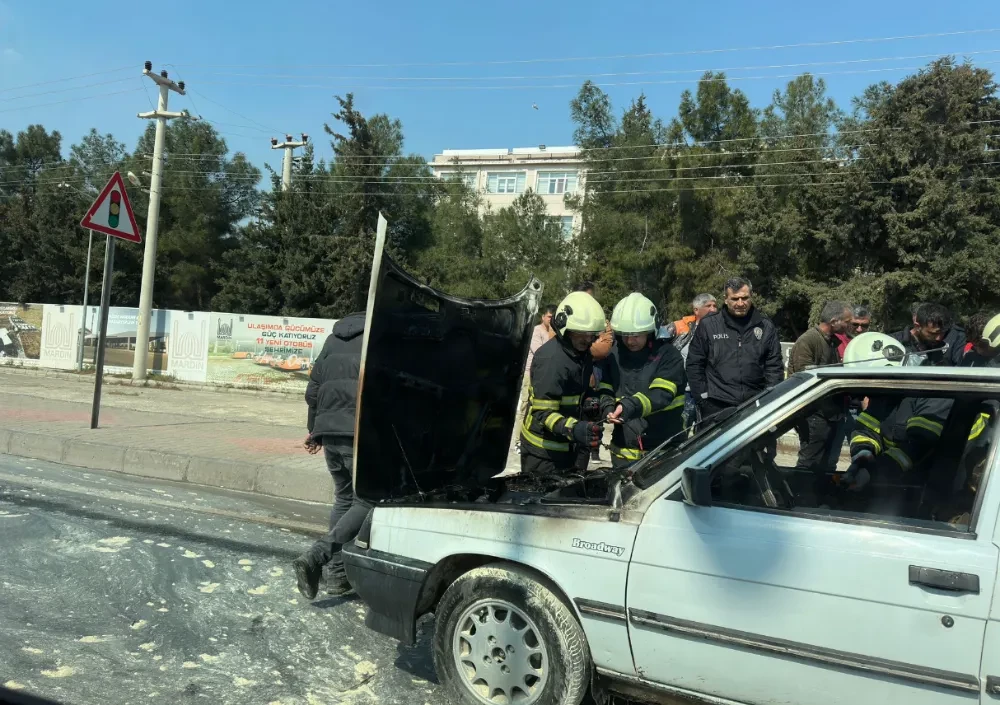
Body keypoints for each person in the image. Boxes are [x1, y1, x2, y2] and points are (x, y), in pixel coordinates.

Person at [293, 312, 369, 600]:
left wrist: (314, 431)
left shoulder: (332, 340)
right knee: (367, 501)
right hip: (358, 436)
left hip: (330, 434)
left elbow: (313, 392)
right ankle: (316, 557)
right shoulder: (374, 342)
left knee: (344, 499)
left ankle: (337, 577)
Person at [520, 291, 606, 478]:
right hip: (543, 454)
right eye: (582, 333)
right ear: (564, 327)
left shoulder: (581, 353)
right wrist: (573, 429)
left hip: (569, 447)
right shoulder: (552, 359)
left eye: (592, 334)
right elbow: (543, 412)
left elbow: (579, 391)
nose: (588, 339)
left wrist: (591, 400)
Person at [596, 293, 686, 467]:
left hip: (662, 450)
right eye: (625, 335)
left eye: (637, 335)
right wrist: (607, 407)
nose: (630, 341)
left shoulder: (668, 355)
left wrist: (629, 406)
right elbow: (606, 387)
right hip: (622, 450)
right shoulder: (614, 354)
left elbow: (661, 395)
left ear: (651, 330)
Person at [686, 277, 784, 418]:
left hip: (756, 405)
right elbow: (694, 364)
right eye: (735, 299)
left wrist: (769, 399)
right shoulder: (709, 326)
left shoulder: (765, 326)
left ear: (751, 296)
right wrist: (703, 400)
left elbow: (774, 367)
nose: (740, 303)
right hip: (717, 406)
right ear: (725, 299)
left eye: (745, 298)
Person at [787, 301, 853, 474]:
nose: (849, 325)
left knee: (824, 464)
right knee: (808, 463)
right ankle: (801, 497)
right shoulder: (809, 341)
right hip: (813, 415)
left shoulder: (832, 342)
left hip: (830, 414)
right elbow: (803, 378)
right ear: (833, 321)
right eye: (846, 321)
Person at [659, 293, 717, 426]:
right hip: (682, 392)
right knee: (679, 430)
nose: (713, 309)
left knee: (706, 433)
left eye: (715, 306)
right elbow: (656, 345)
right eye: (708, 306)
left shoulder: (721, 331)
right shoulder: (680, 327)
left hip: (708, 392)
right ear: (696, 310)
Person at [513, 305, 558, 456]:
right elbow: (541, 351)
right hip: (530, 373)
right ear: (543, 317)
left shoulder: (553, 332)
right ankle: (517, 440)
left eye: (553, 317)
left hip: (544, 375)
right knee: (524, 406)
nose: (551, 320)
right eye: (549, 317)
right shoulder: (537, 331)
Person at [892, 302, 964, 366]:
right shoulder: (893, 343)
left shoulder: (947, 345)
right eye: (933, 333)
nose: (939, 338)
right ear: (917, 326)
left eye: (942, 333)